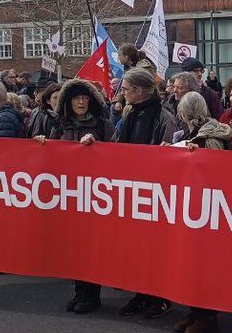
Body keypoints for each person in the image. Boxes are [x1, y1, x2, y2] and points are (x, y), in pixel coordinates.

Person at [33, 79, 116, 315]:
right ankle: (80, 292)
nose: (81, 102)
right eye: (76, 98)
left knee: (91, 247)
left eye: (84, 98)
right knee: (75, 247)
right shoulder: (61, 126)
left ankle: (92, 295)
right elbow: (51, 156)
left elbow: (116, 154)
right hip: (69, 195)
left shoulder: (103, 125)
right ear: (68, 103)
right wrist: (42, 144)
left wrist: (96, 147)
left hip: (95, 195)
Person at [114, 68, 181, 318]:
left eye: (126, 89)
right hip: (132, 189)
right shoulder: (130, 114)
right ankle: (140, 293)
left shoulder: (164, 117)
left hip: (155, 192)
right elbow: (116, 144)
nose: (123, 93)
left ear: (139, 90)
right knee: (136, 247)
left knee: (155, 248)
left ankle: (159, 297)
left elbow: (171, 154)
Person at [169, 91, 232, 333]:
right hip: (192, 205)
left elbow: (216, 167)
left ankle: (207, 314)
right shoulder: (189, 133)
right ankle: (195, 311)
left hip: (207, 206)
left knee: (204, 263)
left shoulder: (210, 135)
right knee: (191, 261)